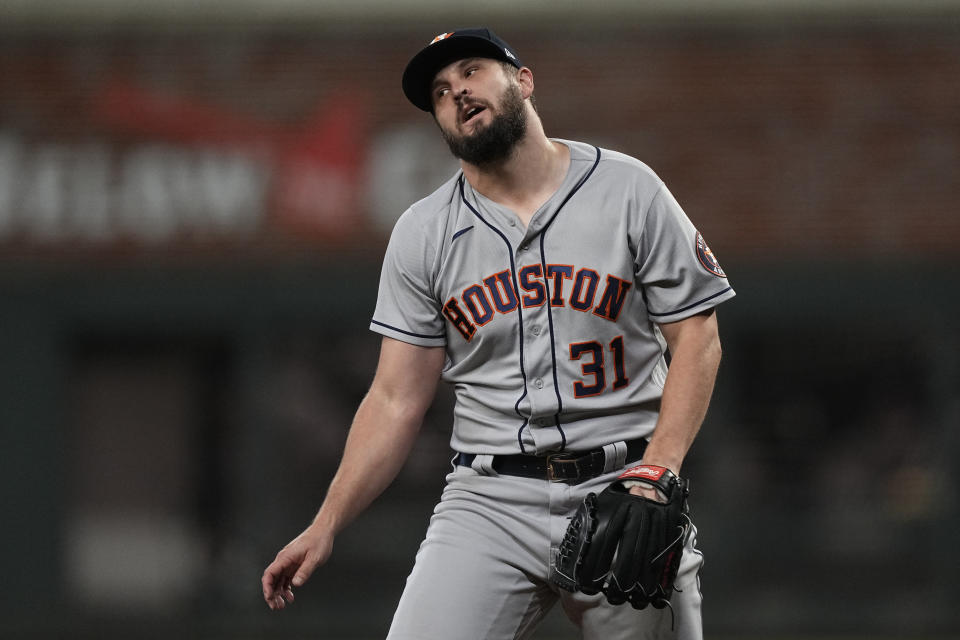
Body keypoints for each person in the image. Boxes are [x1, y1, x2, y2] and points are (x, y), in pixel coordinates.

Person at [262, 27, 735, 640]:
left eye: (471, 70)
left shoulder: (629, 189)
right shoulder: (423, 232)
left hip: (624, 486)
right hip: (489, 499)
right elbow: (395, 398)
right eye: (439, 91)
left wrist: (658, 471)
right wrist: (326, 522)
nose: (456, 91)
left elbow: (698, 337)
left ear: (524, 80)